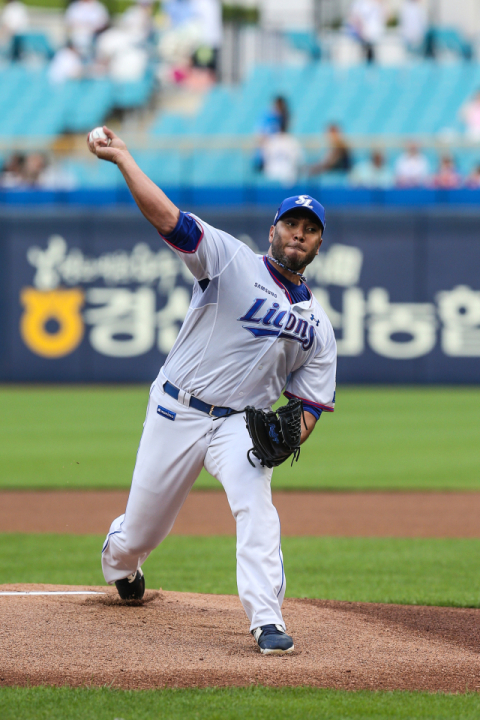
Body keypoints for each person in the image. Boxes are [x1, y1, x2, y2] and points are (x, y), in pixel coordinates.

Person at [88, 126, 337, 656]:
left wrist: (292, 436)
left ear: (319, 243)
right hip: (176, 408)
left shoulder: (318, 327)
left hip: (238, 426)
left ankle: (266, 620)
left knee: (257, 507)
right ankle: (122, 561)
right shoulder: (231, 259)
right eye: (291, 222)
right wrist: (125, 159)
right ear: (273, 230)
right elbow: (169, 221)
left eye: (310, 228)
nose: (299, 233)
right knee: (140, 534)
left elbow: (312, 402)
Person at [262, 118, 303, 186]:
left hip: (271, 177)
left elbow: (264, 160)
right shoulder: (292, 141)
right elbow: (299, 161)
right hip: (288, 177)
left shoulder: (271, 141)